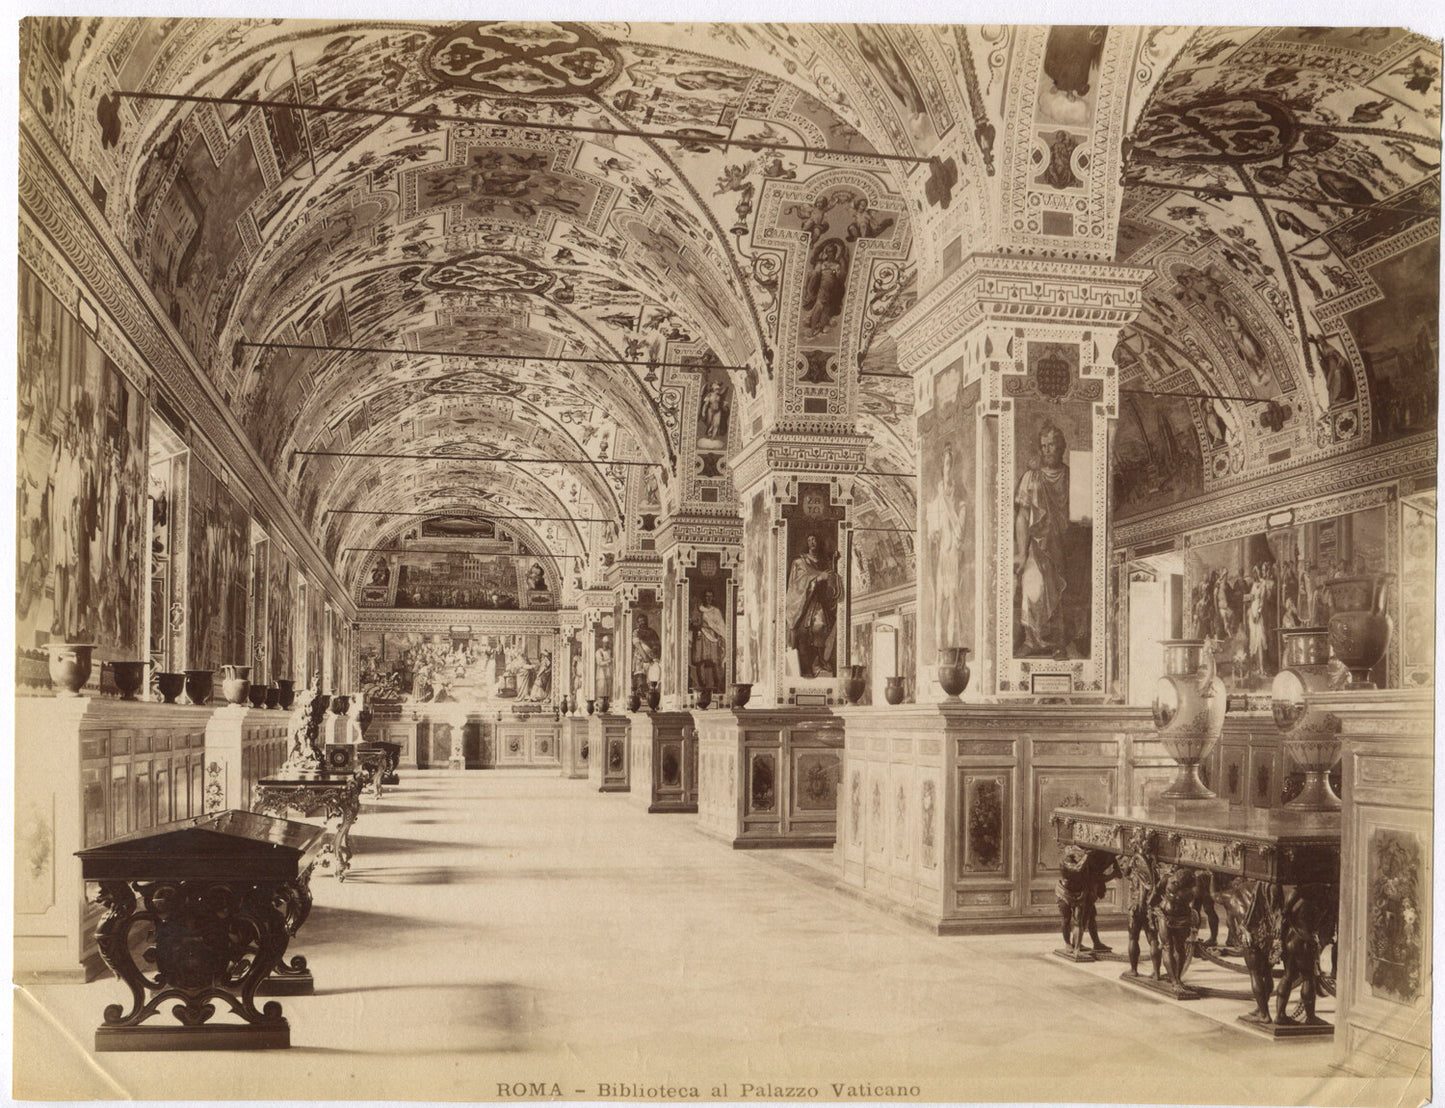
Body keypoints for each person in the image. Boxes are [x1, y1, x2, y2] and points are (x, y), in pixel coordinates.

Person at [1014, 422, 1071, 657]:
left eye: (1052, 446)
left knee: (1059, 590)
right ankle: (1032, 639)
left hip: (1063, 544)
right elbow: (1023, 516)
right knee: (1032, 586)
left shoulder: (1071, 476)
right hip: (1037, 544)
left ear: (1062, 448)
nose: (1047, 450)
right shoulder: (1031, 477)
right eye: (1044, 446)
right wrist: (1021, 551)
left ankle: (1057, 641)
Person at [926, 445, 965, 652]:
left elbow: (959, 532)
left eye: (950, 465)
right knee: (938, 603)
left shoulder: (960, 506)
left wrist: (945, 500)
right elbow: (931, 534)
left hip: (953, 557)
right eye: (945, 465)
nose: (948, 470)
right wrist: (933, 534)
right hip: (941, 557)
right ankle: (940, 653)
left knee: (953, 600)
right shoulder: (934, 505)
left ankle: (952, 649)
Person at [785, 532, 840, 678]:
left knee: (821, 626)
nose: (812, 542)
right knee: (802, 634)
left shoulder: (823, 561)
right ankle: (805, 667)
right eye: (809, 540)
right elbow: (797, 583)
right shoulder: (800, 562)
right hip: (803, 602)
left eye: (815, 539)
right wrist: (817, 577)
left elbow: (831, 580)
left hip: (819, 601)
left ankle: (821, 660)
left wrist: (830, 576)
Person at [690, 589, 727, 693]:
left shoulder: (716, 611)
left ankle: (718, 688)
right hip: (701, 637)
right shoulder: (698, 609)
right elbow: (693, 622)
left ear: (713, 598)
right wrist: (697, 626)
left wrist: (719, 635)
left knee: (715, 662)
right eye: (706, 596)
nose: (708, 598)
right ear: (704, 597)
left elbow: (720, 626)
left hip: (713, 638)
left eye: (710, 596)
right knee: (700, 662)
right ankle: (703, 688)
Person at [631, 614, 661, 693]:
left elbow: (656, 644)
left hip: (652, 657)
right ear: (638, 623)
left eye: (644, 620)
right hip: (640, 657)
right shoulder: (636, 632)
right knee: (640, 678)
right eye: (640, 621)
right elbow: (637, 645)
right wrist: (645, 657)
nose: (643, 622)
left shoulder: (652, 632)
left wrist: (653, 651)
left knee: (654, 676)